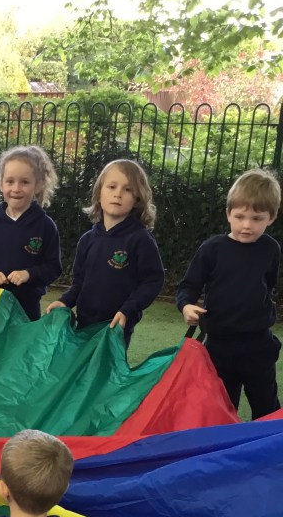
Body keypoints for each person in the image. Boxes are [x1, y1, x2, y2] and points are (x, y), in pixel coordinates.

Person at [175, 168, 281, 419]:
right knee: (221, 406)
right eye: (240, 216)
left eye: (257, 218)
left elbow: (268, 285)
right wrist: (186, 306)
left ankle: (270, 443)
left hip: (258, 343)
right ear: (228, 214)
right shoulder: (212, 249)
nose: (247, 225)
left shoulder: (270, 248)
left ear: (271, 218)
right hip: (219, 344)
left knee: (266, 405)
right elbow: (188, 286)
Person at [45, 158, 164, 343]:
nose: (118, 194)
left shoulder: (140, 239)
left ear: (137, 199)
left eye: (127, 189)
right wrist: (65, 302)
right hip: (84, 324)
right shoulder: (87, 240)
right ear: (99, 194)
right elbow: (79, 283)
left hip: (116, 327)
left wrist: (128, 309)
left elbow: (153, 281)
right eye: (112, 187)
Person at [0, 145, 62, 321]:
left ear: (38, 185)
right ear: (1, 184)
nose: (16, 188)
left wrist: (28, 274)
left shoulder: (46, 226)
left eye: (25, 182)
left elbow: (53, 268)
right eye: (10, 181)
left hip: (28, 308)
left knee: (26, 341)